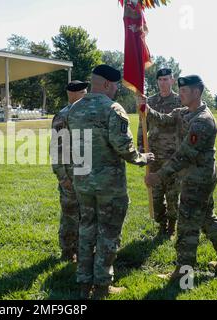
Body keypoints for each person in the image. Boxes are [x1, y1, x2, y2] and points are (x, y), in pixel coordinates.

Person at [67, 65, 154, 299]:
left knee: (86, 230)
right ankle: (103, 286)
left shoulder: (73, 109)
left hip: (82, 182)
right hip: (109, 186)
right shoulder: (113, 109)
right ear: (106, 84)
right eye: (115, 85)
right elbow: (123, 147)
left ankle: (84, 284)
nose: (116, 90)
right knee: (108, 234)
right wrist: (142, 158)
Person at [143, 75, 217, 281]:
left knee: (186, 223)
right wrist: (146, 109)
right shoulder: (184, 112)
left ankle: (183, 272)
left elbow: (184, 155)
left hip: (198, 179)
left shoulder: (203, 121)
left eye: (184, 91)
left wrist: (158, 175)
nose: (181, 95)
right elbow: (164, 119)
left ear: (196, 92)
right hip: (197, 176)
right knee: (206, 216)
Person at [138, 68, 182, 237]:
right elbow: (142, 126)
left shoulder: (180, 100)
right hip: (154, 155)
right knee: (155, 195)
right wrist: (141, 149)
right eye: (160, 80)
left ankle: (171, 225)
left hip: (173, 156)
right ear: (157, 82)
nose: (163, 83)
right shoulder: (150, 101)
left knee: (172, 195)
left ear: (172, 80)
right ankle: (161, 222)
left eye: (166, 79)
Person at [51, 80, 89, 263]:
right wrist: (62, 177)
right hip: (69, 176)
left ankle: (83, 251)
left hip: (86, 175)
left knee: (85, 215)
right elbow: (56, 150)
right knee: (69, 215)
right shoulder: (62, 116)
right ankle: (67, 252)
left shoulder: (85, 114)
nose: (85, 95)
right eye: (82, 92)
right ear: (71, 94)